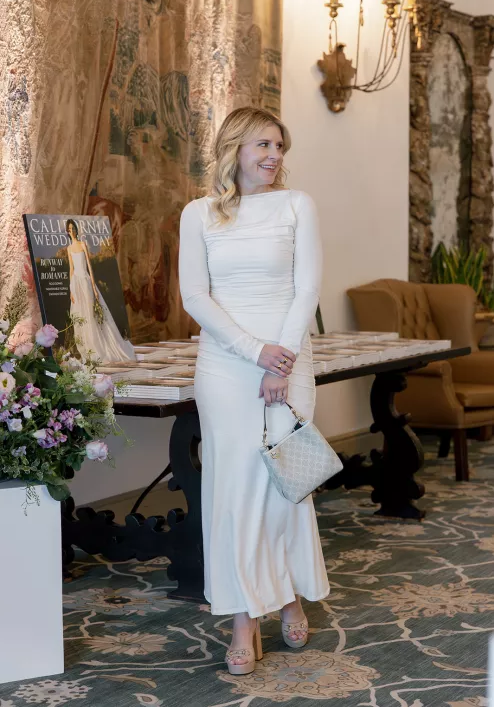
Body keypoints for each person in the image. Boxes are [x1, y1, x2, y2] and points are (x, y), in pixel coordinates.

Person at [178, 107, 329, 676]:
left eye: (279, 146)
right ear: (235, 148)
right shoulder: (198, 214)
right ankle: (244, 618)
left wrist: (279, 359)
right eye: (263, 144)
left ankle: (287, 596)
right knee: (234, 490)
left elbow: (307, 288)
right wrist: (253, 351)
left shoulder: (297, 205)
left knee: (282, 486)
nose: (274, 155)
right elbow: (195, 296)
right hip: (225, 366)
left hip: (288, 361)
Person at [66, 219, 135, 363]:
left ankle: (98, 346)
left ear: (76, 229)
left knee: (91, 313)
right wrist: (71, 290)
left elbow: (89, 266)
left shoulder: (83, 244)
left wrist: (93, 286)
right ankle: (87, 347)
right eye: (69, 229)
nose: (72, 231)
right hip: (76, 283)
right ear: (67, 231)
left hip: (85, 280)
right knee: (81, 314)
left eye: (73, 228)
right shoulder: (69, 248)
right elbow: (71, 269)